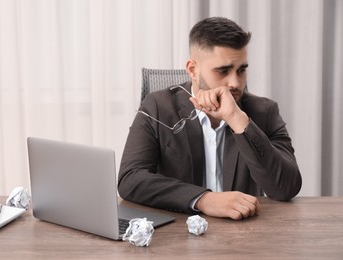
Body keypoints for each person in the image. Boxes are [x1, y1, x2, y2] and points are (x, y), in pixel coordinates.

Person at [118, 17, 302, 220]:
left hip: (244, 235)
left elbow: (286, 188)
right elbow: (130, 179)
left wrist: (236, 119)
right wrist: (204, 199)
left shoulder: (264, 112)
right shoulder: (157, 107)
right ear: (193, 70)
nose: (235, 82)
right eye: (223, 71)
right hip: (178, 233)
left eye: (241, 70)